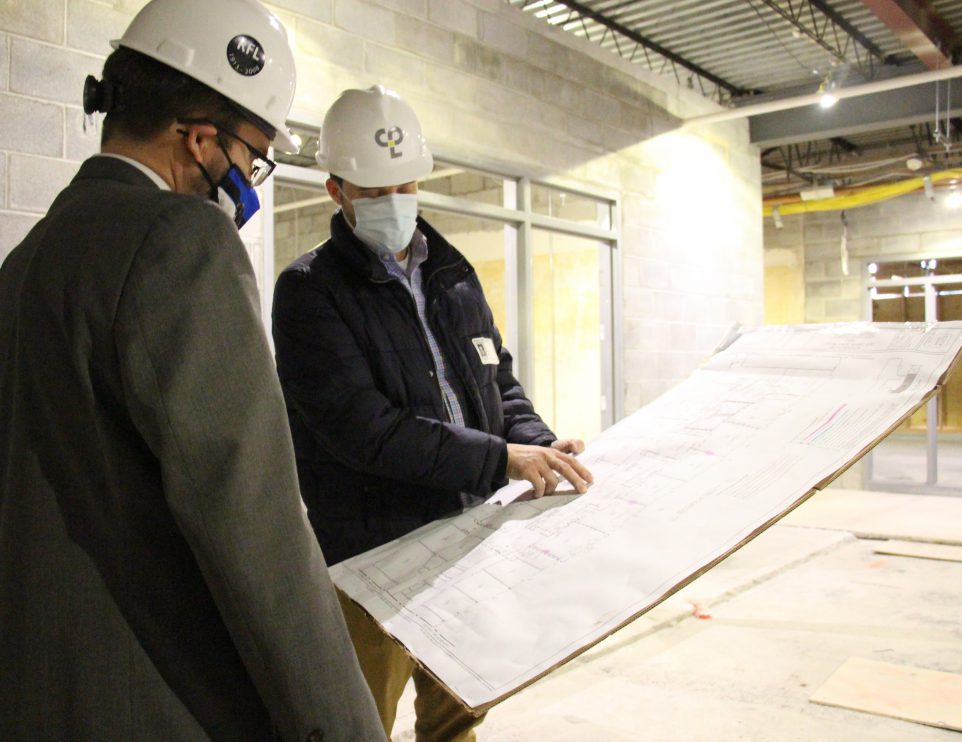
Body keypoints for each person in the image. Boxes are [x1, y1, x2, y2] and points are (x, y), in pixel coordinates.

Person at [0, 1, 385, 740]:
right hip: (159, 704)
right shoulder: (181, 238)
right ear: (201, 139)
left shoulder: (32, 257)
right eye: (251, 161)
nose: (247, 183)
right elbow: (254, 526)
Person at [271, 85, 594, 741]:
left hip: (465, 543)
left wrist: (541, 443)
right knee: (358, 723)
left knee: (457, 719)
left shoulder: (453, 274)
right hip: (372, 562)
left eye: (404, 185)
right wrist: (503, 459)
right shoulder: (309, 294)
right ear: (337, 190)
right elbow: (366, 430)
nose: (394, 203)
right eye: (373, 190)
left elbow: (494, 381)